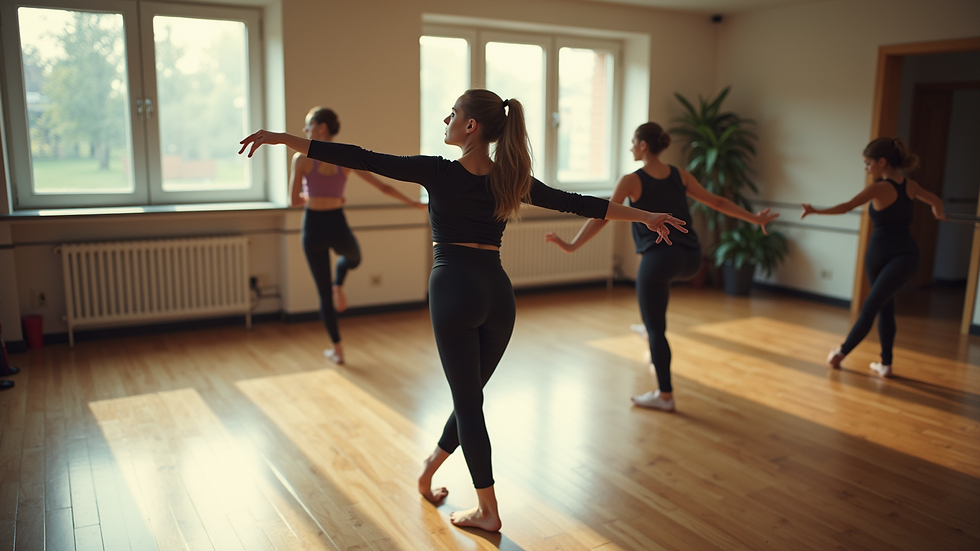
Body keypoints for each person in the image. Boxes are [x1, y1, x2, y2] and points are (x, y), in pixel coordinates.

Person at [239, 90, 687, 532]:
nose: (446, 120)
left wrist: (284, 139)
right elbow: (577, 202)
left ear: (471, 126)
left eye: (452, 113)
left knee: (469, 403)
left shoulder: (437, 171)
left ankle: (487, 510)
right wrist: (645, 217)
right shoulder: (509, 179)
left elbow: (361, 157)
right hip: (498, 294)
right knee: (469, 399)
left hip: (454, 289)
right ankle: (429, 469)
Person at [545, 122, 777, 412]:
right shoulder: (680, 175)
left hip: (659, 260)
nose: (631, 147)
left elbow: (601, 216)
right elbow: (716, 201)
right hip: (692, 259)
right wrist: (756, 219)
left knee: (657, 328)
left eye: (633, 142)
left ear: (643, 146)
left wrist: (571, 245)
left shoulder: (631, 180)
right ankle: (647, 325)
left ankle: (664, 395)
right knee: (655, 307)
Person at [290, 107, 425, 365]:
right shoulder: (308, 158)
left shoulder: (329, 158)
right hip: (318, 226)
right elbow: (294, 200)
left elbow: (381, 185)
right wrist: (322, 197)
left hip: (330, 222)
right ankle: (337, 348)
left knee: (354, 258)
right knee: (324, 293)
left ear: (322, 128)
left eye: (309, 125)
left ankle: (338, 284)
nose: (305, 131)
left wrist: (413, 203)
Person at [802, 137, 945, 377]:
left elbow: (847, 206)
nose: (866, 168)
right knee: (885, 308)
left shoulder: (879, 187)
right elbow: (936, 202)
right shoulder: (911, 186)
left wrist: (816, 210)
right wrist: (938, 213)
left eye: (868, 163)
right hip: (907, 257)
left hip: (890, 258)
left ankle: (841, 352)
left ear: (882, 161)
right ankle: (885, 364)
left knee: (870, 308)